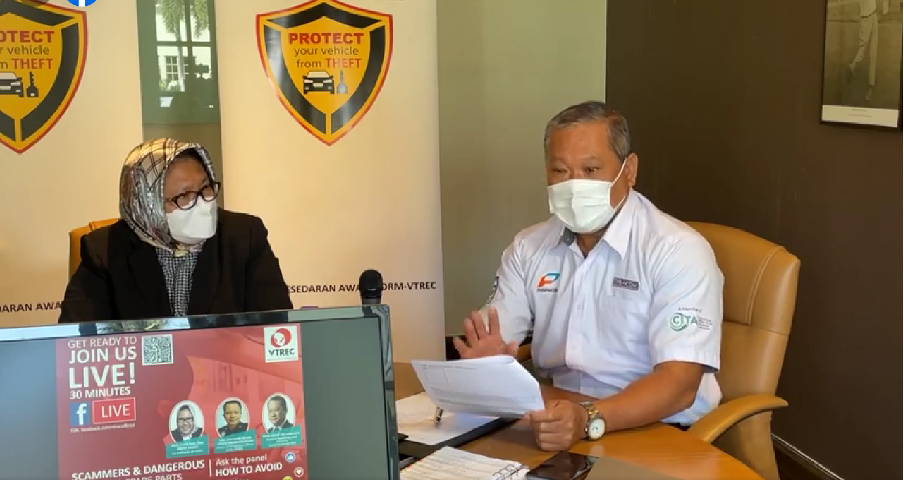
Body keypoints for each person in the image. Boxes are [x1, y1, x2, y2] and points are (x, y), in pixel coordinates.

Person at [452, 101, 724, 452]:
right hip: (560, 417)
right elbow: (496, 341)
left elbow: (679, 385)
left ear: (629, 170)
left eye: (591, 169)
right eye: (560, 171)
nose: (574, 185)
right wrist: (488, 363)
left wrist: (589, 417)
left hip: (660, 427)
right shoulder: (528, 247)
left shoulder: (677, 250)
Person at [59, 138, 293, 323]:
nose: (202, 204)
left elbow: (276, 328)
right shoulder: (104, 251)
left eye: (206, 187)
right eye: (183, 196)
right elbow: (78, 343)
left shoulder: (244, 236)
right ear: (146, 205)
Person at [847, 0, 879, 101]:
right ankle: (853, 67)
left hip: (874, 15)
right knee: (862, 50)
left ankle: (871, 84)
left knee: (873, 52)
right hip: (866, 18)